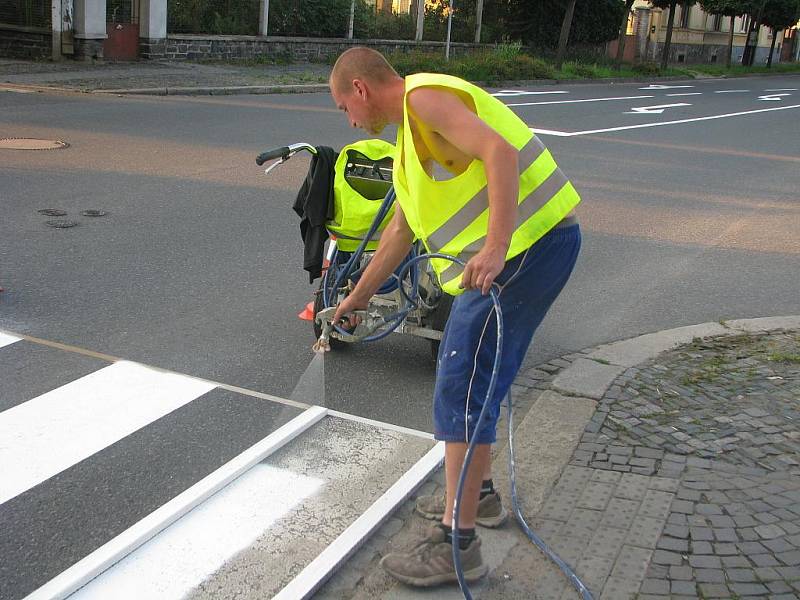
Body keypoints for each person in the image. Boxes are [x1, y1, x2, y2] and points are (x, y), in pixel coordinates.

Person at [330, 47, 582, 587]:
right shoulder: (406, 141)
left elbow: (500, 151)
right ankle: (481, 498)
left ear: (360, 90)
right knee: (477, 381)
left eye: (343, 108)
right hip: (532, 250)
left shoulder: (423, 98)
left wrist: (495, 247)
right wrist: (355, 302)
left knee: (462, 385)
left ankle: (456, 544)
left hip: (523, 251)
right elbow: (400, 232)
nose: (348, 121)